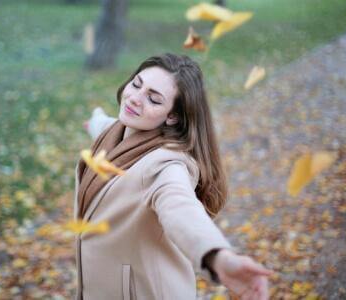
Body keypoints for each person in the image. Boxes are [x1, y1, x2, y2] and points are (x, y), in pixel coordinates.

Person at [74, 53, 274, 300]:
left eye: (153, 99)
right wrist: (94, 121)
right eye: (136, 84)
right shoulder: (116, 130)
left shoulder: (167, 165)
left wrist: (218, 257)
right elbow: (106, 126)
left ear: (172, 116)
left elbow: (180, 207)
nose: (135, 98)